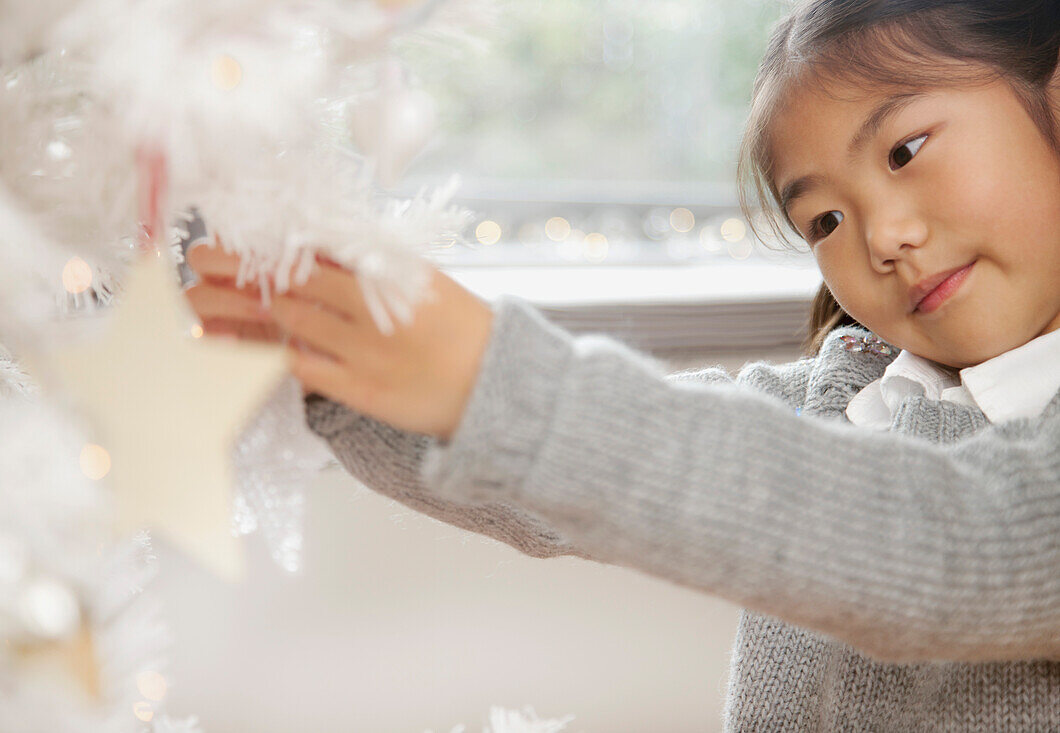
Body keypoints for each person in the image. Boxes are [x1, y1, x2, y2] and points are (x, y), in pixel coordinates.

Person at [184, 1, 1060, 729]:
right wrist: (333, 364)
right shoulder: (841, 400)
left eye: (905, 150)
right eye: (824, 220)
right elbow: (560, 491)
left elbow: (951, 536)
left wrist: (499, 383)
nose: (881, 236)